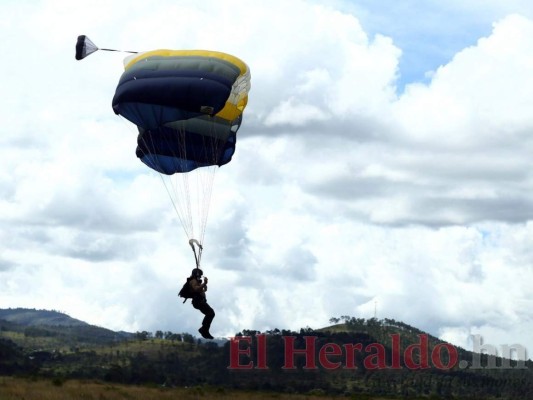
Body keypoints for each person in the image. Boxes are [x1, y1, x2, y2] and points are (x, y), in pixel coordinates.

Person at [188, 268, 215, 339]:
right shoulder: (193, 281)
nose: (200, 277)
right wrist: (204, 283)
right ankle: (204, 330)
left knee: (210, 313)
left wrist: (204, 288)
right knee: (210, 313)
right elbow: (196, 289)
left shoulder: (196, 281)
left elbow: (199, 290)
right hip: (198, 301)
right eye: (200, 275)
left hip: (200, 301)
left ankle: (204, 329)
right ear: (196, 274)